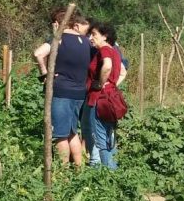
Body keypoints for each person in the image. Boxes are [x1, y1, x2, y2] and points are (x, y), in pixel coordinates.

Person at [33, 9, 91, 166]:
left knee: (60, 135)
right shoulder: (86, 41)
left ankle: (62, 171)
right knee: (72, 132)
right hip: (79, 93)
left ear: (57, 23)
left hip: (61, 92)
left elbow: (38, 53)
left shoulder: (59, 39)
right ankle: (80, 168)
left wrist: (45, 74)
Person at [86, 21, 122, 169]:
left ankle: (108, 177)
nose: (90, 38)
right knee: (109, 138)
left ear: (105, 36)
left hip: (100, 99)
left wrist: (100, 84)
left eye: (94, 34)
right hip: (110, 99)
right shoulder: (115, 51)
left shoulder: (105, 51)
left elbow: (107, 66)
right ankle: (114, 170)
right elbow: (123, 72)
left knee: (101, 139)